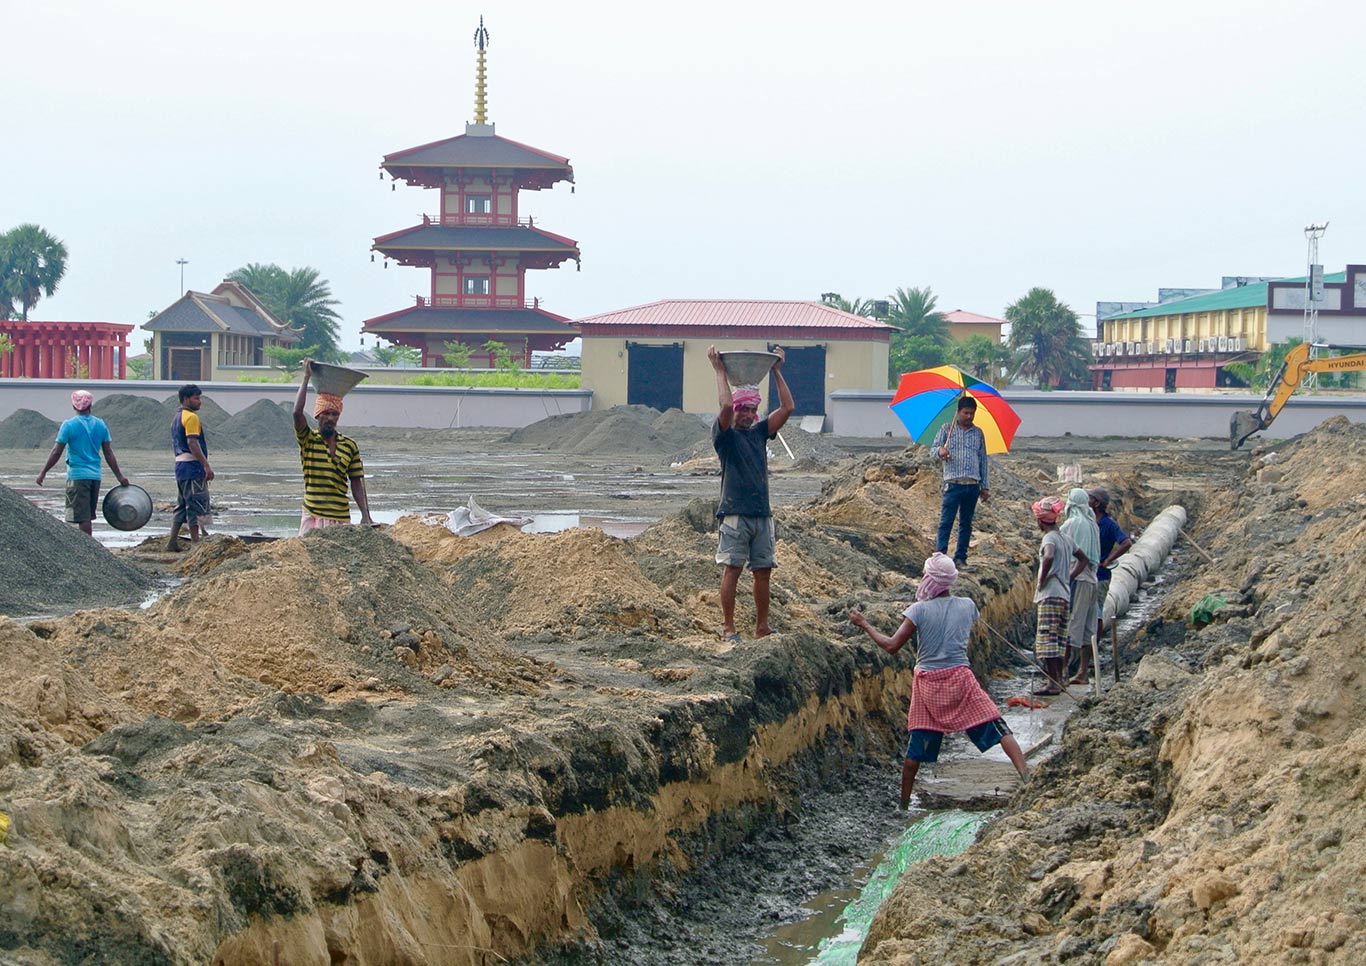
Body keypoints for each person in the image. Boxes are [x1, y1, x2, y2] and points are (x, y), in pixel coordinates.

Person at [848, 552, 1029, 809]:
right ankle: (1026, 777)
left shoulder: (918, 611)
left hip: (928, 686)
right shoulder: (967, 605)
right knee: (999, 728)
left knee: (915, 750)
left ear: (929, 580)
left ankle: (903, 804)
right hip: (960, 680)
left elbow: (891, 646)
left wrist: (864, 624)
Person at [707, 344, 795, 641]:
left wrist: (776, 372)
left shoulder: (759, 434)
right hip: (734, 513)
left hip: (761, 514)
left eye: (753, 410)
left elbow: (788, 409)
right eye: (744, 409)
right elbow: (725, 408)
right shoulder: (725, 437)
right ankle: (729, 627)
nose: (748, 414)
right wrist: (720, 371)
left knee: (763, 571)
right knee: (732, 569)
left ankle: (762, 626)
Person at [292, 360, 374, 534]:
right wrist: (306, 377)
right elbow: (296, 413)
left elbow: (357, 481)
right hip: (313, 515)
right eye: (326, 413)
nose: (330, 418)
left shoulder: (349, 446)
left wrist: (365, 514)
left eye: (334, 414)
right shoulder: (308, 439)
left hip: (340, 517)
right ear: (317, 415)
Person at [35, 389, 130, 536]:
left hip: (77, 477)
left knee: (83, 518)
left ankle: (87, 549)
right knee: (88, 516)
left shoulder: (68, 425)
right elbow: (108, 453)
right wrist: (119, 476)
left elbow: (56, 451)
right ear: (91, 405)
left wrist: (43, 472)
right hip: (95, 477)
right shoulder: (101, 425)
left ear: (74, 406)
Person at [1031, 496, 1088, 696]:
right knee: (1059, 639)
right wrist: (1068, 576)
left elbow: (1048, 555)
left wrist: (1041, 579)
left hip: (1051, 594)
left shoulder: (1049, 539)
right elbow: (1084, 559)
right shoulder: (1065, 538)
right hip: (1064, 594)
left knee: (1047, 640)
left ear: (1040, 521)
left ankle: (1052, 683)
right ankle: (1060, 679)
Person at [931, 396, 989, 571]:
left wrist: (984, 486)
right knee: (946, 522)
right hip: (953, 483)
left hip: (972, 485)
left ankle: (960, 559)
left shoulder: (978, 433)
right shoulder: (946, 429)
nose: (969, 416)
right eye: (966, 413)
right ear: (958, 412)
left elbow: (983, 460)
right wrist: (940, 451)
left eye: (972, 413)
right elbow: (932, 451)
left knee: (966, 523)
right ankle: (940, 559)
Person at [165, 383, 214, 551]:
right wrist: (206, 465)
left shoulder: (176, 417)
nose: (199, 402)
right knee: (195, 504)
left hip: (180, 467)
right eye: (196, 398)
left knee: (182, 504)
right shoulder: (191, 418)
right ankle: (195, 542)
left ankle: (172, 541)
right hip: (192, 467)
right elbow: (192, 443)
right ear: (186, 399)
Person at [1060, 487, 1101, 685]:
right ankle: (1083, 672)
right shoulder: (1092, 524)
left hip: (1079, 580)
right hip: (1092, 580)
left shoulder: (1071, 524)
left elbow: (1065, 552)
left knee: (1072, 625)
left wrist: (1068, 577)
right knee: (1088, 628)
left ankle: (1063, 672)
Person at [1089, 487, 1133, 647]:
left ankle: (1094, 648)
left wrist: (1108, 559)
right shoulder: (1087, 521)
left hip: (1100, 575)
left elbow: (1127, 542)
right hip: (1086, 574)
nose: (1087, 500)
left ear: (1097, 503)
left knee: (1098, 613)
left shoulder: (1108, 524)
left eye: (1090, 498)